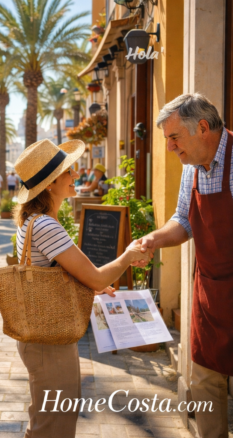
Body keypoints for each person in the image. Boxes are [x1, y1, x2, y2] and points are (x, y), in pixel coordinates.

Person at [12, 138, 149, 438]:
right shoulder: (47, 226)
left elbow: (55, 273)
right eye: (68, 172)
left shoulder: (35, 221)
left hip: (43, 335)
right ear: (49, 184)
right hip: (50, 340)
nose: (76, 176)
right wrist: (128, 255)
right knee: (54, 428)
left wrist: (90, 287)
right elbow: (97, 277)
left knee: (45, 421)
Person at [133, 93, 233, 438]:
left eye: (174, 138)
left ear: (202, 127)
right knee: (204, 379)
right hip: (210, 292)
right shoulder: (191, 168)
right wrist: (154, 239)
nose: (171, 148)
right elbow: (184, 220)